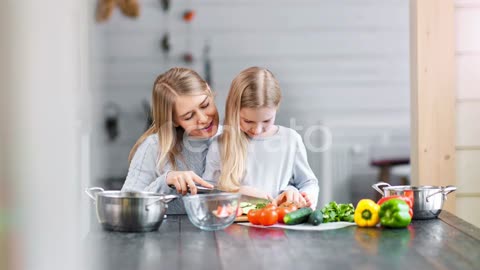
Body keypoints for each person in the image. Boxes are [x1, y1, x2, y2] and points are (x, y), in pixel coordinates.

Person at [202, 67, 319, 208]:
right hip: (235, 227)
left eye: (266, 121)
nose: (257, 130)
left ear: (277, 107)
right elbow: (207, 194)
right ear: (234, 111)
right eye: (248, 121)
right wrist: (237, 192)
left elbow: (308, 183)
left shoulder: (290, 140)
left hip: (278, 223)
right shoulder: (220, 144)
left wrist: (302, 196)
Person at [121, 67, 220, 213]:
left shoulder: (235, 140)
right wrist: (165, 181)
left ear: (208, 90)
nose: (203, 119)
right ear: (173, 120)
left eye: (205, 105)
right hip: (168, 235)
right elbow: (125, 206)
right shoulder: (154, 147)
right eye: (188, 116)